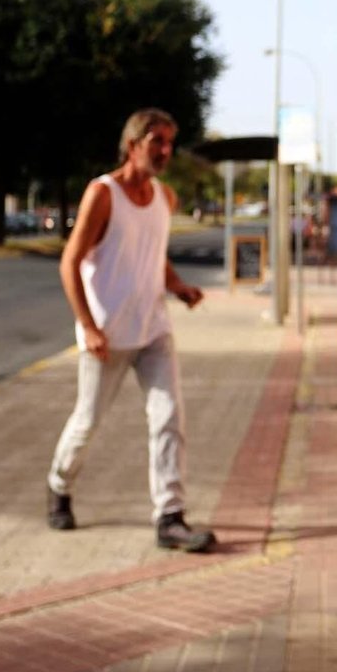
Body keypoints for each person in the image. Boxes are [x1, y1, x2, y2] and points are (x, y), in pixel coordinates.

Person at [46, 108, 213, 552]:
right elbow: (70, 260)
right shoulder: (103, 194)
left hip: (154, 330)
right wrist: (89, 326)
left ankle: (170, 516)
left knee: (168, 418)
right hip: (107, 335)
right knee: (88, 422)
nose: (164, 151)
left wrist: (178, 287)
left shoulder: (165, 197)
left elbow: (152, 252)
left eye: (170, 143)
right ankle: (59, 486)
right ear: (132, 144)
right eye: (157, 141)